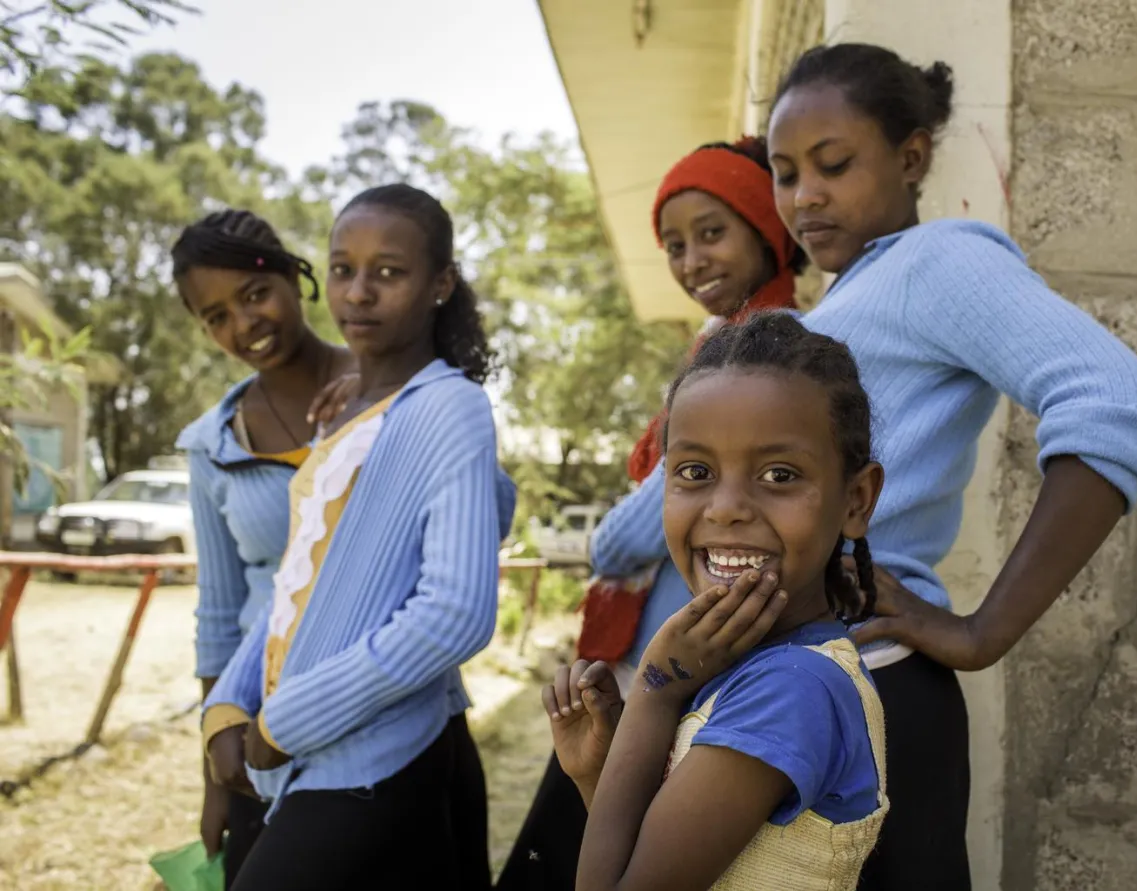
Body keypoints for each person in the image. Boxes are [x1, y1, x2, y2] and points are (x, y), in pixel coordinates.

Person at [595, 43, 1137, 889]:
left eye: (834, 165)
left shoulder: (938, 261)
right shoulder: (850, 294)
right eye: (786, 174)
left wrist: (981, 632)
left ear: (912, 157)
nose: (805, 198)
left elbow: (1118, 402)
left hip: (867, 681)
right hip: (775, 680)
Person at [495, 136, 809, 891]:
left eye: (712, 232)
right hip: (665, 666)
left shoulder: (764, 355)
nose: (692, 259)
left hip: (689, 671)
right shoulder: (720, 344)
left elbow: (623, 540)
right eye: (674, 244)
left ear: (766, 229)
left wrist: (617, 531)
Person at [199, 184, 515, 891]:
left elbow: (455, 613)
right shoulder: (344, 416)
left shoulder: (450, 405)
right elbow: (298, 587)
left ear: (440, 284)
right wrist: (226, 703)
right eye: (343, 269)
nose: (360, 293)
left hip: (370, 762)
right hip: (312, 762)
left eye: (389, 272)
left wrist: (280, 724)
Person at [547, 312, 888, 891]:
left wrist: (655, 689)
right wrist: (600, 776)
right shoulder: (744, 668)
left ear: (855, 500)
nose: (726, 507)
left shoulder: (790, 690)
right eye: (696, 471)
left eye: (779, 474)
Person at [172, 210, 357, 886]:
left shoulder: (390, 388)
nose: (243, 324)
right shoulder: (212, 446)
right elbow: (218, 615)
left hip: (387, 721)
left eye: (254, 294)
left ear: (293, 275)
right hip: (261, 739)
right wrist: (214, 772)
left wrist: (384, 392)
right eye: (215, 316)